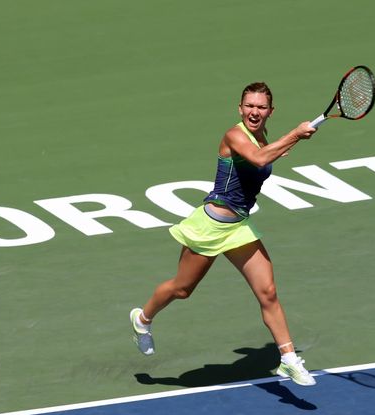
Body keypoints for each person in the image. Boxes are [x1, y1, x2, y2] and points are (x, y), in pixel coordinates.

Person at [130, 82, 318, 386]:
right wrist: (295, 134)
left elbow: (269, 156)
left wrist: (295, 139)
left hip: (239, 228)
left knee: (267, 292)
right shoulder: (234, 135)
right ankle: (142, 319)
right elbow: (258, 160)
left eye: (261, 107)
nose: (254, 112)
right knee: (182, 289)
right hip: (210, 226)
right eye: (249, 106)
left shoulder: (261, 136)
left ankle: (287, 359)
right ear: (240, 108)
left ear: (270, 111)